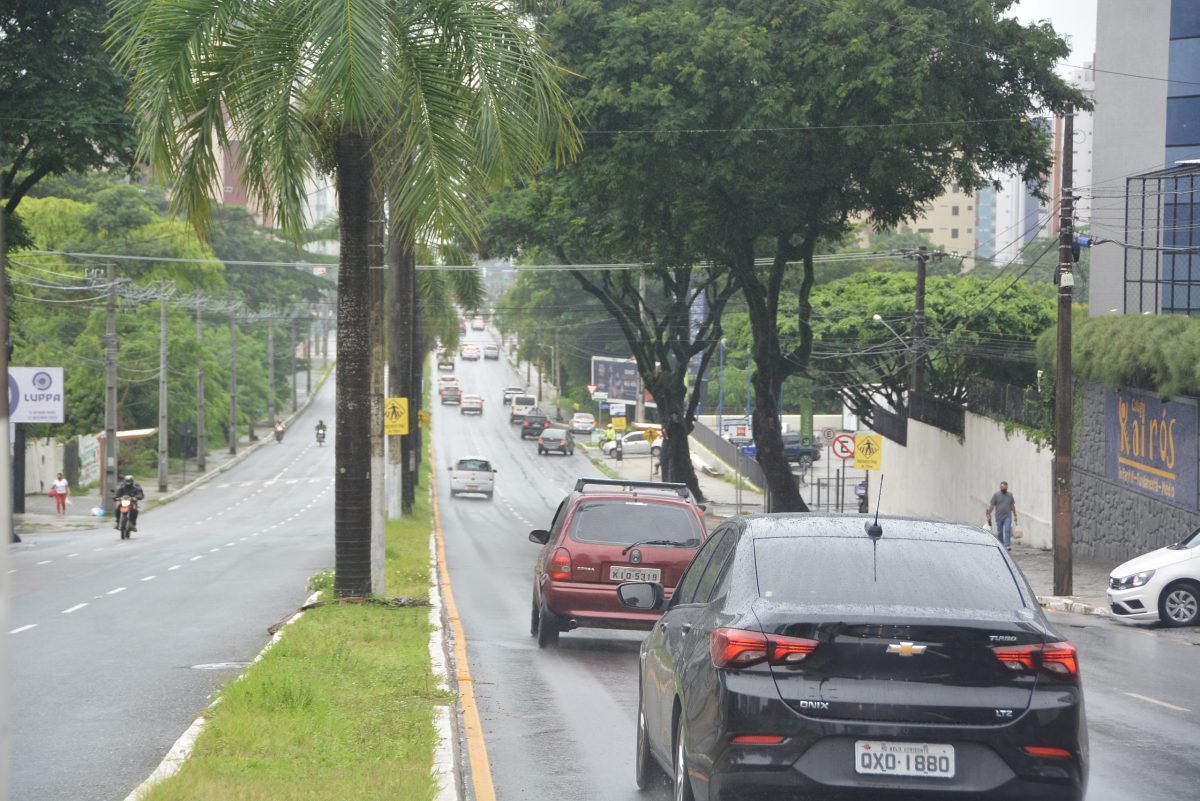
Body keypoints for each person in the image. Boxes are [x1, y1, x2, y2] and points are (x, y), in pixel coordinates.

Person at [986, 480, 1018, 551]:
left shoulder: (1010, 495)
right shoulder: (996, 495)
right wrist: (989, 513)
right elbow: (992, 505)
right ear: (1000, 487)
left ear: (1007, 487)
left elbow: (1012, 505)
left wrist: (1015, 514)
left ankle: (1007, 545)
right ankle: (1001, 544)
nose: (1003, 489)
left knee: (1007, 530)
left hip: (1007, 516)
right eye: (1001, 487)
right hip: (999, 517)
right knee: (1000, 531)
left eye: (1004, 488)